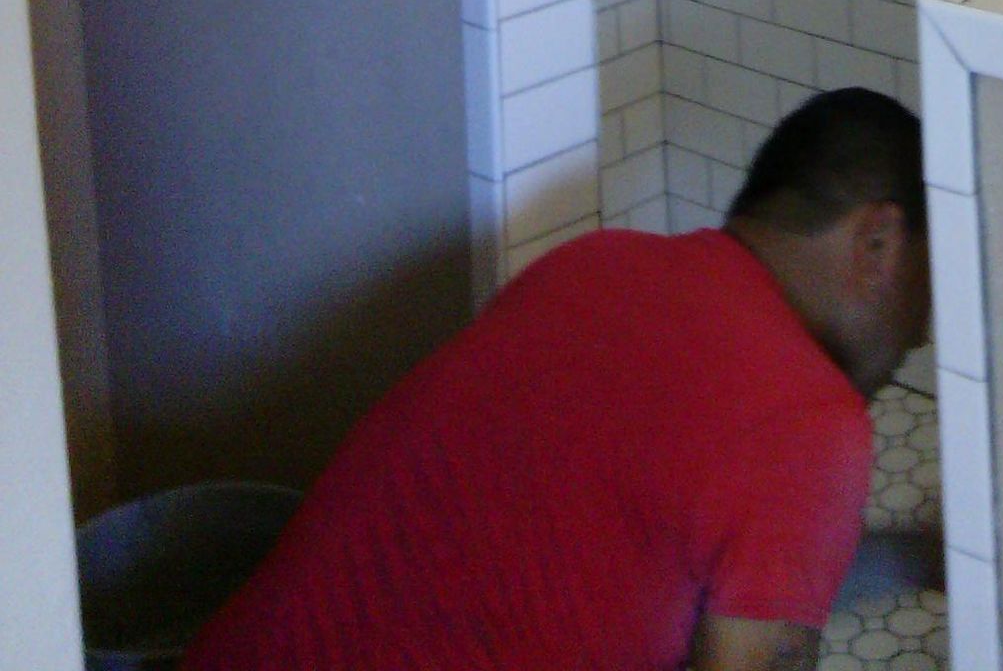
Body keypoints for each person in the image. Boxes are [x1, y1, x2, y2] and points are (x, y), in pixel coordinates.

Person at [184, 87, 932, 671]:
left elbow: (725, 577)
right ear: (878, 240)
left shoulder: (596, 264)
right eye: (930, 287)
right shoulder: (806, 422)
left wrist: (925, 559)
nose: (924, 330)